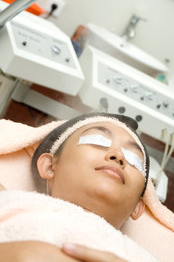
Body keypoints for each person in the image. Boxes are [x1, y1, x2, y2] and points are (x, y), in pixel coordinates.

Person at [0, 112, 155, 262]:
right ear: (50, 166)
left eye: (134, 160)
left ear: (137, 206)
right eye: (97, 141)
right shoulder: (13, 202)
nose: (118, 155)